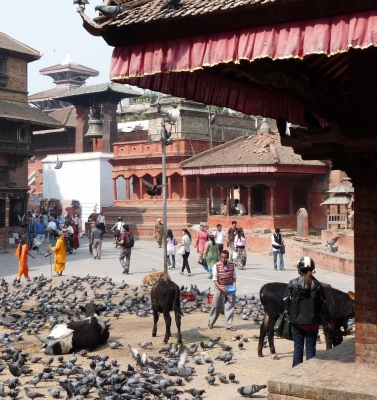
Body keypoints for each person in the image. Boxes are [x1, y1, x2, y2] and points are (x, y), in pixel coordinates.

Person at [284, 257, 335, 367]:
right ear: (312, 269)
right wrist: (329, 320)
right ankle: (309, 372)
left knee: (298, 348)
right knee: (311, 348)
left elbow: (286, 301)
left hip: (296, 322)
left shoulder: (292, 283)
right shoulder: (317, 285)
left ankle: (295, 372)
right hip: (313, 322)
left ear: (299, 270)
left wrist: (292, 311)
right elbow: (323, 306)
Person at [208, 250, 237, 331]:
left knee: (230, 307)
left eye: (225, 257)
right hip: (219, 288)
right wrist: (221, 288)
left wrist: (234, 286)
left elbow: (234, 276)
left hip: (230, 289)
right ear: (220, 257)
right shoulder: (216, 266)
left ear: (228, 257)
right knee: (216, 306)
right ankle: (211, 322)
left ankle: (228, 325)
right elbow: (215, 279)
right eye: (222, 257)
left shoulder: (232, 265)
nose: (224, 259)